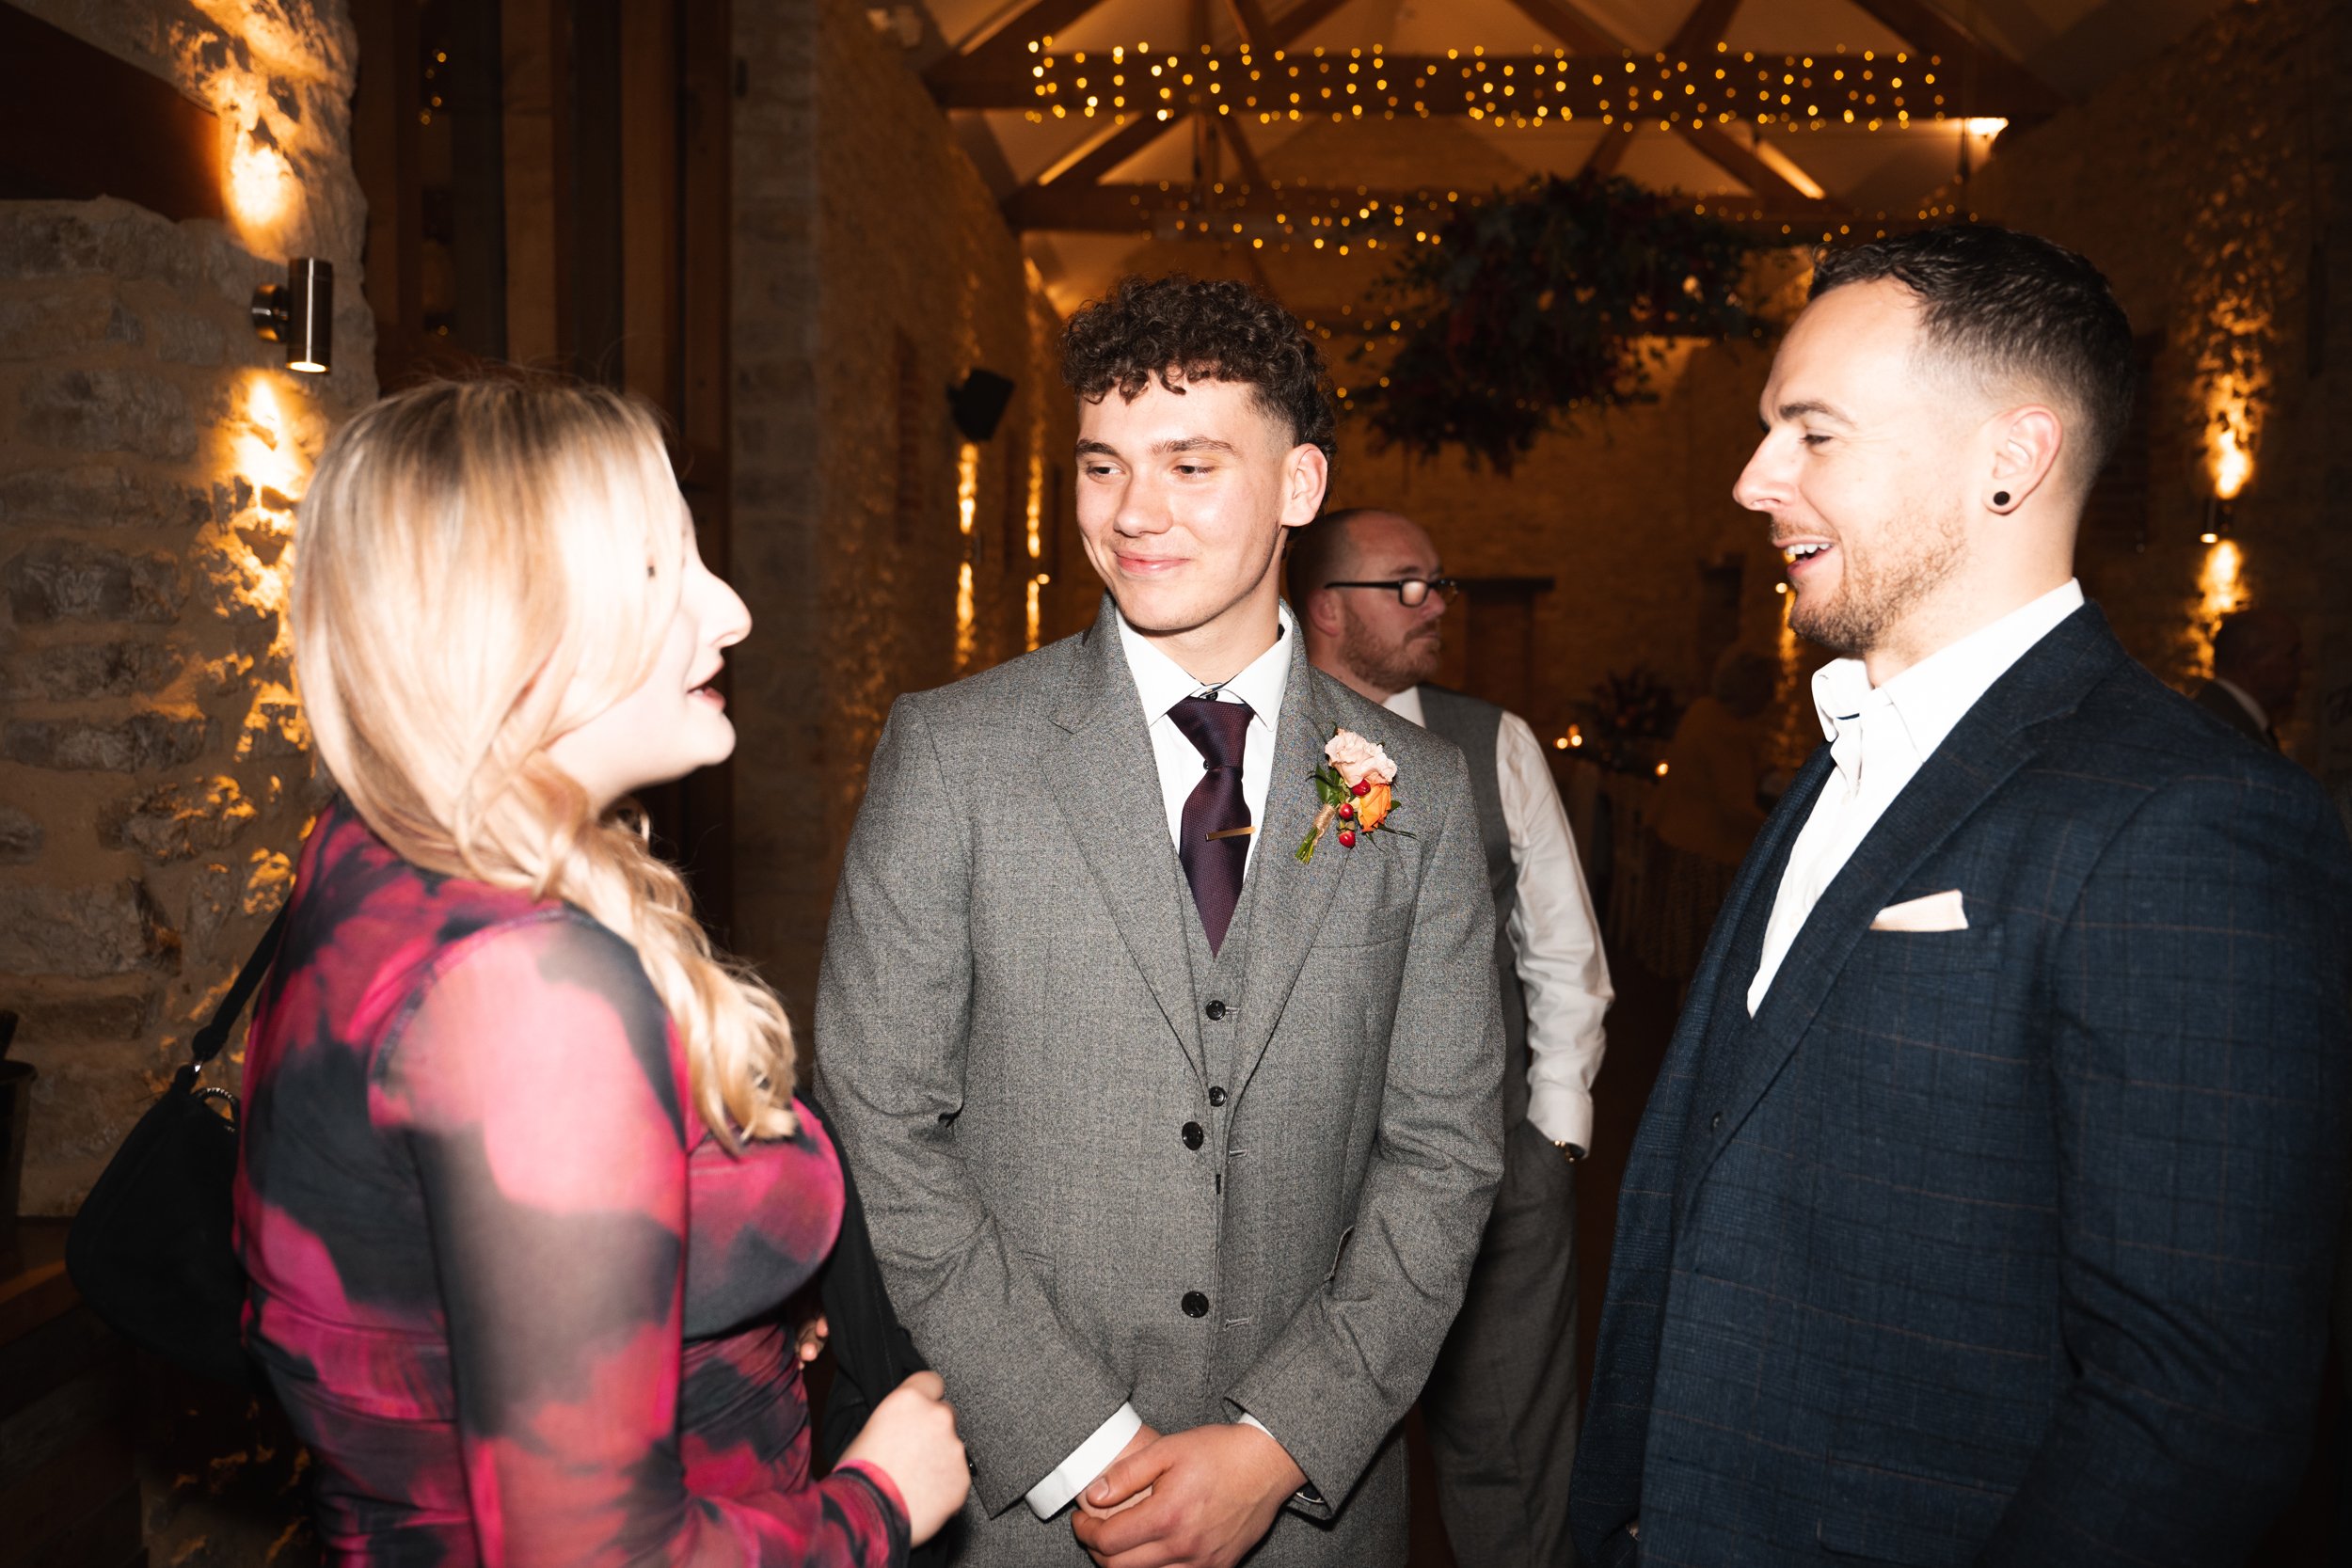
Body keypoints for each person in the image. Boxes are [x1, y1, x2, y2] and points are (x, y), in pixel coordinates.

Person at [1570, 225, 2352, 1568]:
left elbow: (2189, 1403)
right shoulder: (1854, 747)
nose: (1756, 479)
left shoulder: (2189, 819)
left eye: (1812, 433)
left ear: (2010, 459)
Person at [815, 276, 1504, 1568]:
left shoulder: (1412, 789)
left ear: (1299, 484)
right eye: (1102, 466)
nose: (1133, 513)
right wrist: (1082, 1438)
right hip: (1026, 1498)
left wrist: (1281, 1439)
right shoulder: (955, 753)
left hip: (1314, 1513)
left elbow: (1446, 1152)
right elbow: (881, 1111)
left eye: (1191, 464)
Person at [235, 378, 969, 1565]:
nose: (727, 610)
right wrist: (881, 1495)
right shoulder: (525, 992)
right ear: (502, 620)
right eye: (657, 572)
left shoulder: (376, 854)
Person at [1290, 506, 1610, 1567]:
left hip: (1498, 1175)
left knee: (1512, 1457)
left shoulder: (1491, 739)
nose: (1433, 604)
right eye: (1405, 585)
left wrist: (1552, 1137)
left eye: (1440, 583)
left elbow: (1561, 947)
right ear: (1327, 607)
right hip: (1312, 1180)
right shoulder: (1263, 743)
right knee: (1313, 1457)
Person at [2193, 605, 2302, 750]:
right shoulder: (2223, 730)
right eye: (2291, 655)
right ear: (2249, 663)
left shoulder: (2231, 721)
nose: (2303, 664)